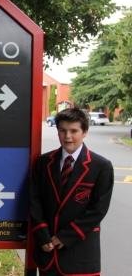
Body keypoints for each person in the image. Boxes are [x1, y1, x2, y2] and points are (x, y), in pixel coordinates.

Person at [30, 108, 114, 275]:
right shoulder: (43, 162)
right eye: (62, 130)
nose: (67, 136)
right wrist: (42, 233)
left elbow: (98, 210)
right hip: (48, 251)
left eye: (74, 131)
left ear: (85, 132)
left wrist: (66, 236)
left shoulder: (101, 166)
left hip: (80, 255)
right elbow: (35, 199)